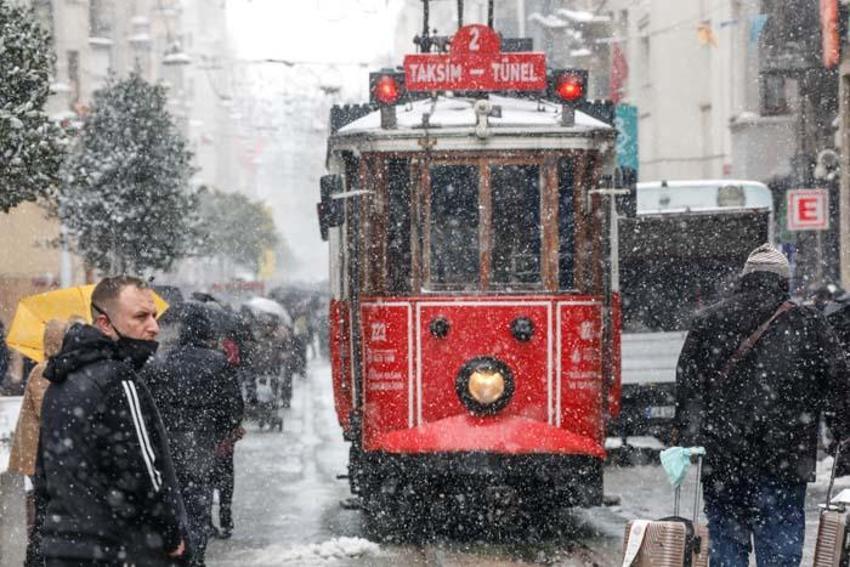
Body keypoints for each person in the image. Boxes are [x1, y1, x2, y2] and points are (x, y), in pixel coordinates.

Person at [675, 243, 850, 567]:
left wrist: (689, 437)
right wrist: (841, 436)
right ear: (783, 282)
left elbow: (688, 388)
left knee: (727, 542)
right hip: (785, 458)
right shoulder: (808, 323)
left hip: (724, 461)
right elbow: (839, 383)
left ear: (744, 279)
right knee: (780, 544)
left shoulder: (708, 321)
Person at [37, 276, 187, 566]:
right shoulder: (118, 378)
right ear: (105, 324)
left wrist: (42, 542)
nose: (154, 326)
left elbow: (44, 474)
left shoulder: (59, 380)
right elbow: (144, 469)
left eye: (155, 315)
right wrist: (170, 534)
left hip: (63, 548)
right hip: (117, 547)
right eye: (141, 316)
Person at [146, 306, 243, 565]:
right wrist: (220, 431)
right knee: (197, 506)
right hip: (201, 445)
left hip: (166, 447)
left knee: (171, 504)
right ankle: (195, 557)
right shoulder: (218, 362)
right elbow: (233, 409)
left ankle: (174, 552)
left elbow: (148, 407)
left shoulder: (160, 360)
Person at [8, 319, 68, 567]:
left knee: (42, 512)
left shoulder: (46, 369)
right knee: (42, 513)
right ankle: (37, 558)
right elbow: (48, 411)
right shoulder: (46, 371)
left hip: (42, 454)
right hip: (42, 456)